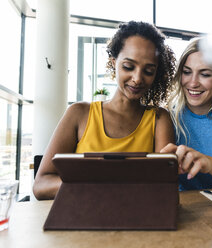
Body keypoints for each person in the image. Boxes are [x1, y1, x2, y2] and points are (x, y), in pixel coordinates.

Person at [33, 21, 176, 200]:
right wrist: (99, 187)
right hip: (81, 217)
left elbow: (164, 186)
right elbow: (41, 184)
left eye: (148, 71)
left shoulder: (159, 118)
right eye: (128, 67)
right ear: (113, 62)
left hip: (136, 218)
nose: (137, 79)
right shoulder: (79, 114)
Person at [160, 38, 212, 190]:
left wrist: (210, 163)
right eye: (187, 72)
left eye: (205, 74)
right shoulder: (167, 118)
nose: (193, 82)